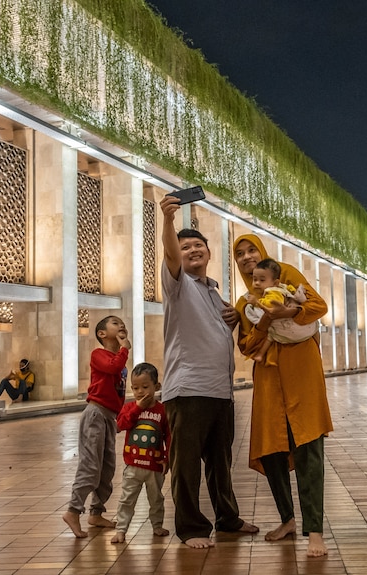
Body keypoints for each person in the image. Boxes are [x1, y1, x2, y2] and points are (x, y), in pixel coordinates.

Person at [159, 194, 258, 548]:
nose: (192, 251)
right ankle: (191, 528)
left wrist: (233, 319)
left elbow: (216, 331)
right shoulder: (177, 285)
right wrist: (169, 222)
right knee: (186, 466)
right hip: (188, 390)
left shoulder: (215, 293)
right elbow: (170, 255)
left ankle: (227, 518)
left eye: (198, 245)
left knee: (220, 463)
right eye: (186, 247)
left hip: (220, 391)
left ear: (209, 252)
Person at [232, 233, 333, 558]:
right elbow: (246, 346)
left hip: (302, 376)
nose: (247, 257)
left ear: (262, 253)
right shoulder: (245, 302)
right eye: (240, 254)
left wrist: (284, 314)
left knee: (308, 450)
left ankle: (314, 531)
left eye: (251, 250)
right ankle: (287, 519)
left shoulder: (285, 274)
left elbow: (318, 306)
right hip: (270, 382)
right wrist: (264, 321)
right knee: (272, 451)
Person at [62, 315, 131, 538]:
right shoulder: (99, 355)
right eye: (115, 323)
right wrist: (124, 350)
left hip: (109, 417)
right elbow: (112, 368)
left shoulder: (119, 358)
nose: (121, 325)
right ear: (102, 334)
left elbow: (118, 393)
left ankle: (96, 512)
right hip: (95, 415)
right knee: (91, 466)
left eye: (122, 322)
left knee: (107, 468)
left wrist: (119, 418)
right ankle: (73, 511)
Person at [111, 362, 171, 543]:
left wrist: (167, 458)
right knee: (127, 499)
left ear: (157, 387)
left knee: (156, 498)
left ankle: (157, 525)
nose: (140, 392)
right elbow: (120, 426)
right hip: (133, 465)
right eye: (136, 388)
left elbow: (169, 436)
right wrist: (137, 408)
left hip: (154, 465)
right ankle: (121, 529)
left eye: (145, 387)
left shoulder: (162, 410)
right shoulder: (129, 408)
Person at [243, 258, 317, 365]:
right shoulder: (282, 287)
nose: (257, 283)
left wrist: (256, 302)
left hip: (286, 326)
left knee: (271, 335)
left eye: (262, 280)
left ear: (275, 282)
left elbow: (271, 304)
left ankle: (260, 354)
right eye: (255, 279)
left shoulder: (272, 291)